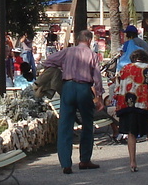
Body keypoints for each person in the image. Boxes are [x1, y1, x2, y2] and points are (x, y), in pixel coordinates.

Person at [43, 29, 104, 175]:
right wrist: (99, 96)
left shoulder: (67, 52)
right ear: (89, 40)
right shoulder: (92, 55)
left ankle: (65, 163)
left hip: (68, 87)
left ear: (77, 39)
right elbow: (97, 77)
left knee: (65, 124)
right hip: (84, 88)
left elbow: (48, 61)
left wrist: (60, 70)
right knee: (87, 124)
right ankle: (84, 160)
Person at [113, 48, 148, 172]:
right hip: (145, 105)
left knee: (131, 133)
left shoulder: (124, 69)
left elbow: (117, 88)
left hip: (127, 106)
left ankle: (132, 162)